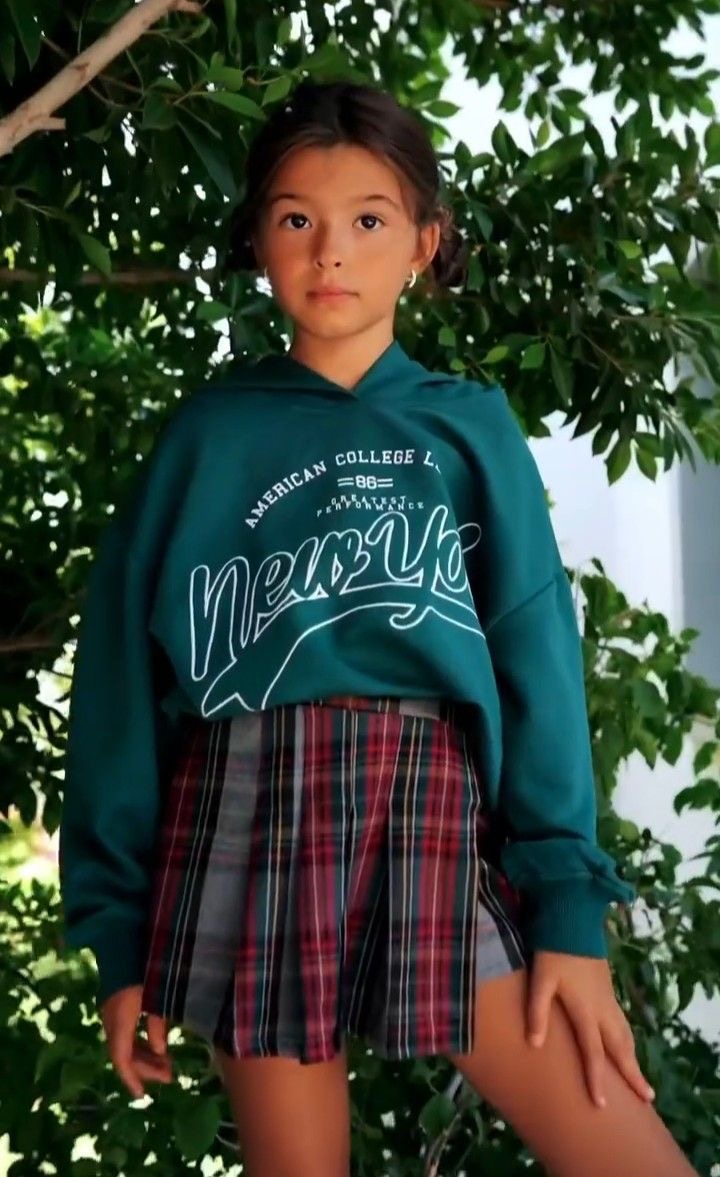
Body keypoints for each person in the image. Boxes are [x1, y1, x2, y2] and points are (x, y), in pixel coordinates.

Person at [58, 79, 700, 1177]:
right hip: (248, 809)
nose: (330, 252)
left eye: (368, 219)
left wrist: (568, 911)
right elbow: (119, 687)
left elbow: (536, 660)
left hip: (430, 805)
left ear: (424, 243)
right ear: (258, 238)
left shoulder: (469, 426)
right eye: (296, 218)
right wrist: (118, 937)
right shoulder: (206, 438)